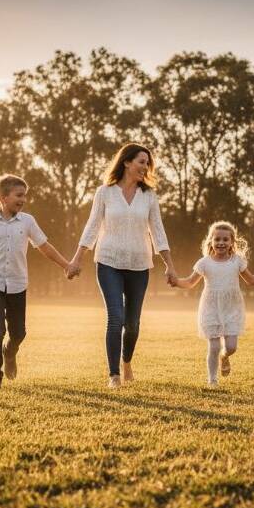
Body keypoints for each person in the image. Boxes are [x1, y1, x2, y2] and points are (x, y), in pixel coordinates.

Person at [69, 144, 177, 388]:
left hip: (139, 265)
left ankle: (126, 361)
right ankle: (114, 374)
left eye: (147, 163)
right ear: (126, 162)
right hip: (108, 262)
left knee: (133, 324)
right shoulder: (104, 192)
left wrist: (168, 265)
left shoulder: (149, 196)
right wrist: (78, 258)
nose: (145, 167)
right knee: (115, 317)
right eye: (141, 161)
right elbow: (92, 226)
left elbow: (157, 231)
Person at [0, 174, 71, 389]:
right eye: (19, 195)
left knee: (18, 332)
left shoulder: (28, 221)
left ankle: (10, 351)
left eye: (25, 195)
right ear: (3, 197)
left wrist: (66, 265)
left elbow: (44, 246)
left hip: (18, 282)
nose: (23, 199)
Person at [171, 221, 254, 386]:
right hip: (211, 308)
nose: (221, 243)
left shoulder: (237, 261)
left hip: (232, 307)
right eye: (217, 239)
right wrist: (176, 282)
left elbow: (251, 280)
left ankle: (225, 356)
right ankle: (212, 380)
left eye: (225, 239)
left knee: (231, 346)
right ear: (211, 242)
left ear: (231, 242)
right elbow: (189, 282)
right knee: (214, 346)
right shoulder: (204, 263)